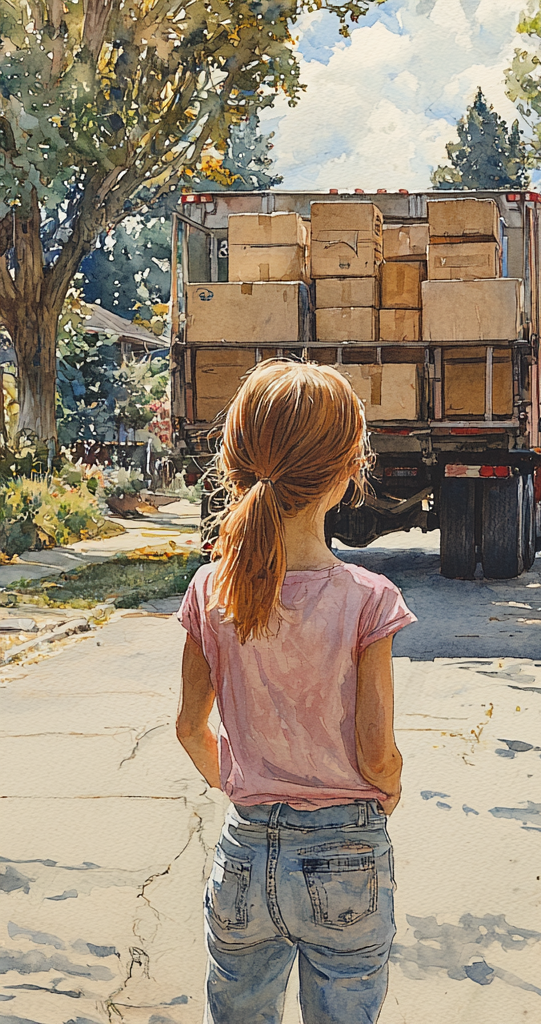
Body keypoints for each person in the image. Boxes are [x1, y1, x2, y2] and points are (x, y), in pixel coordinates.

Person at [175, 361, 416, 1024]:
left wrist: (247, 790)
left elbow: (191, 729)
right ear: (346, 472)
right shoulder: (370, 602)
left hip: (244, 855)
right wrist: (390, 784)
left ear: (235, 464)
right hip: (346, 853)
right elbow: (375, 752)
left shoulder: (210, 591)